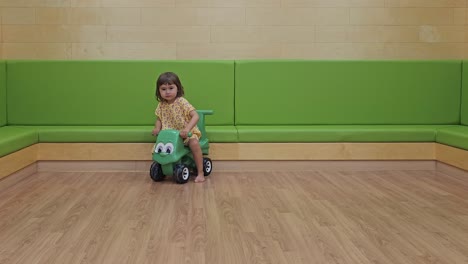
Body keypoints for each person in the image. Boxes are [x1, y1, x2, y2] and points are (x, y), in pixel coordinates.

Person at [152, 72, 205, 183]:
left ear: (178, 88)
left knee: (194, 143)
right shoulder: (161, 105)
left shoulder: (181, 102)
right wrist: (157, 128)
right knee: (159, 149)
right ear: (159, 91)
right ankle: (162, 168)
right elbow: (159, 119)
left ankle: (200, 172)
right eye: (163, 89)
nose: (167, 92)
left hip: (185, 134)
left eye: (171, 88)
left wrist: (187, 129)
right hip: (170, 137)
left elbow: (195, 116)